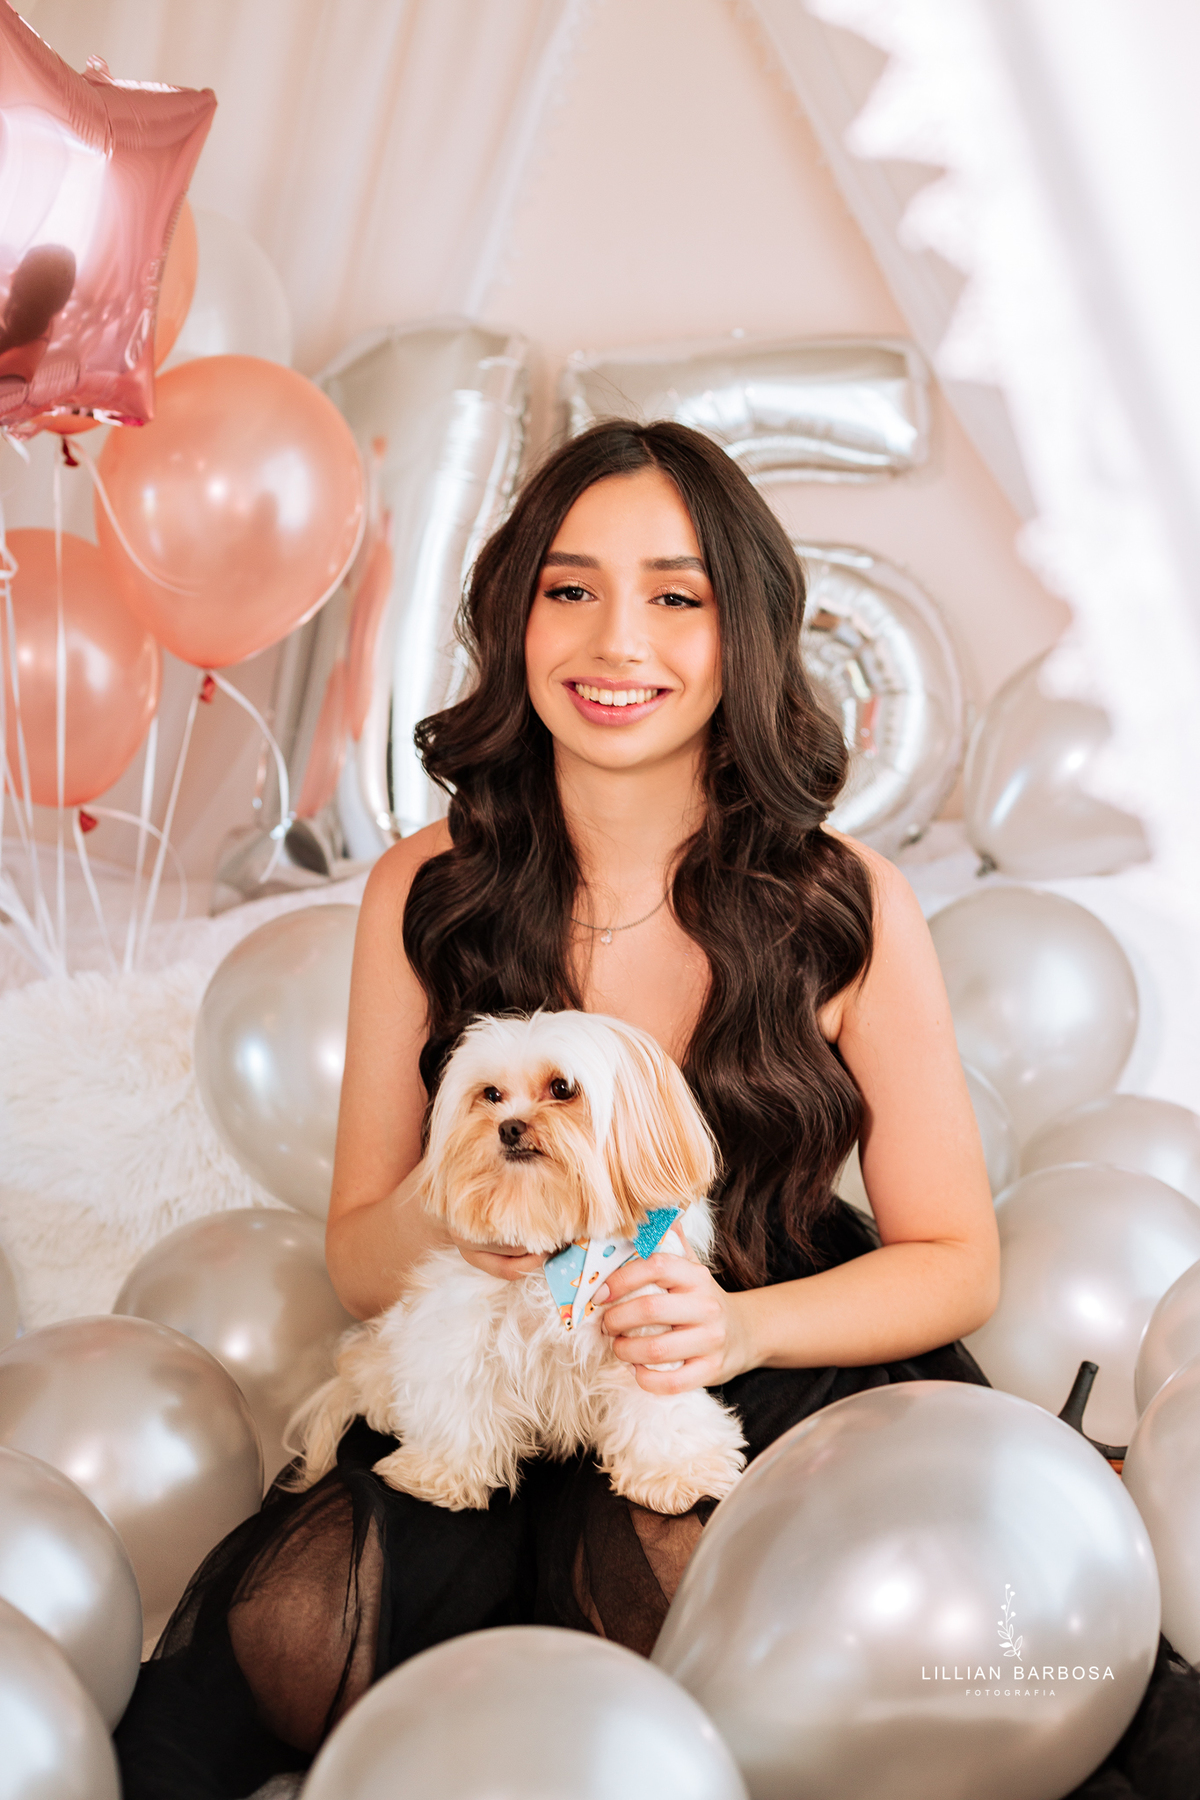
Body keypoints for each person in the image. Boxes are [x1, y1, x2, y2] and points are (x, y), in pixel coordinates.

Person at [115, 421, 1200, 1799]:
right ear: (515, 620)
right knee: (292, 1632)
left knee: (711, 1624)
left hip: (774, 1351)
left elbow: (955, 1260)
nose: (615, 641)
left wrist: (734, 1327)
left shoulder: (844, 901)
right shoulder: (426, 891)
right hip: (509, 1367)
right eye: (569, 589)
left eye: (676, 597)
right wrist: (475, 1219)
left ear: (744, 632)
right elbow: (357, 1254)